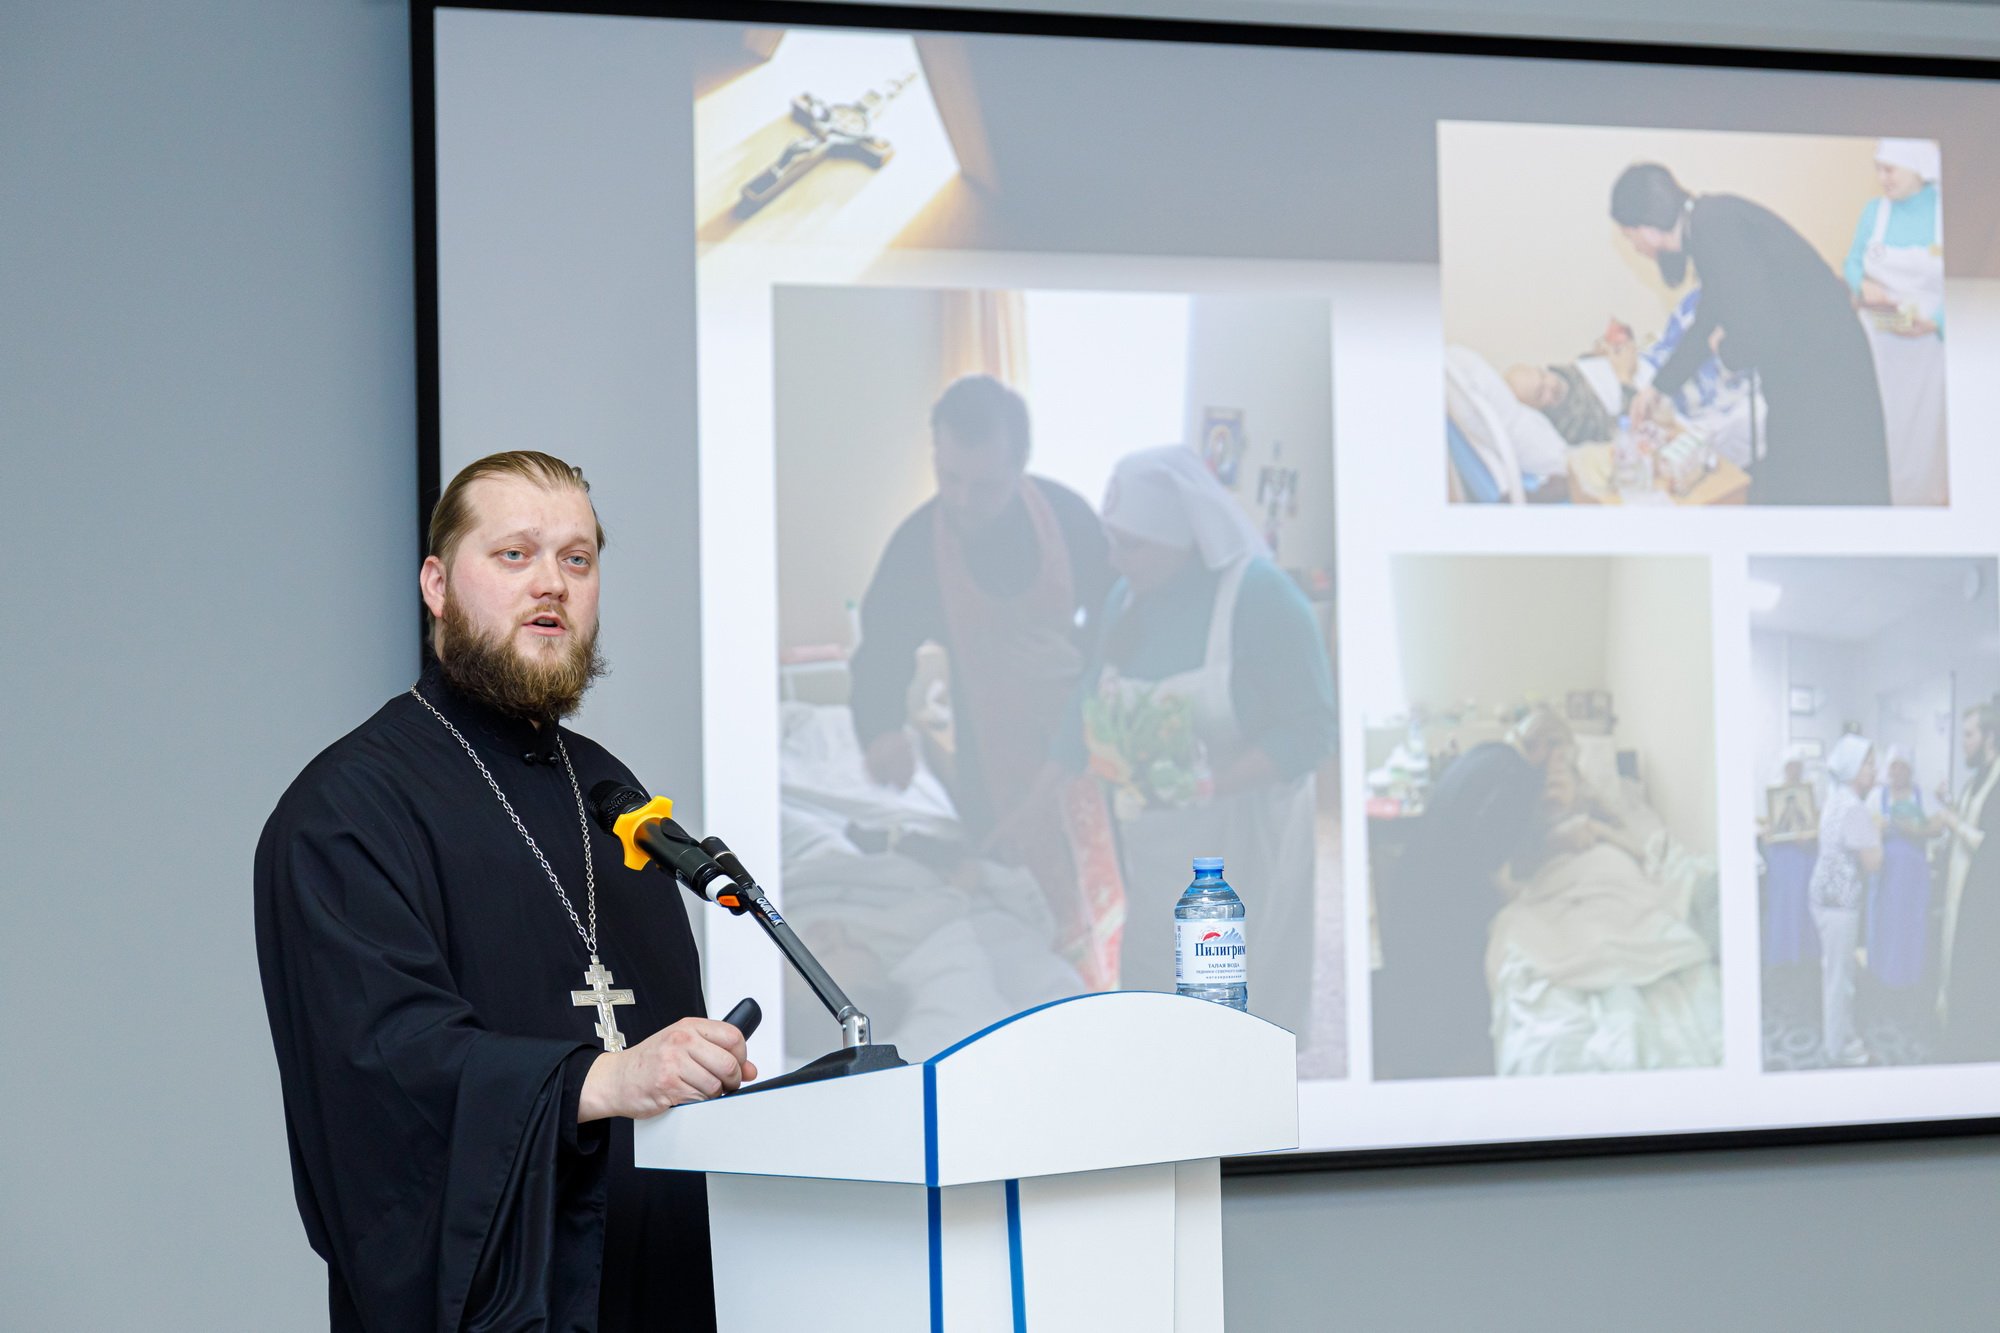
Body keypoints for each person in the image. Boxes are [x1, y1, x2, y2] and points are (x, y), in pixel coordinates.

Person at [256, 452, 755, 1331]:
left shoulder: (611, 796)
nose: (552, 583)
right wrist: (602, 1078)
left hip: (661, 1287)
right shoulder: (346, 812)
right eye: (515, 554)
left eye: (577, 558)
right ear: (437, 585)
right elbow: (385, 1070)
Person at [1051, 446, 1336, 1037]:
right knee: (1158, 980)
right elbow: (1092, 691)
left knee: (1233, 1000)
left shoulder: (1262, 597)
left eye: (1131, 545)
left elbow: (1312, 730)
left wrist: (1210, 785)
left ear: (1183, 540)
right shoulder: (1126, 597)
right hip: (1157, 844)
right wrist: (1049, 783)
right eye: (1110, 540)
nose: (1113, 559)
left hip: (1244, 839)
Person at [847, 374, 1113, 937]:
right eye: (950, 478)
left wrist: (1085, 669)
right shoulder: (917, 547)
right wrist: (882, 729)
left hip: (1083, 737)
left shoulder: (1069, 518)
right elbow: (882, 650)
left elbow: (1117, 622)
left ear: (1020, 466)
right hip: (988, 754)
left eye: (986, 486)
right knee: (1012, 903)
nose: (964, 501)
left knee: (1097, 886)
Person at [1611, 163, 1891, 506]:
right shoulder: (1707, 225)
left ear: (1648, 230)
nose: (1635, 247)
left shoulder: (1713, 228)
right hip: (1805, 365)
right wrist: (1658, 387)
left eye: (1630, 237)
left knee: (1827, 487)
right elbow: (1706, 321)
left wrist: (1725, 348)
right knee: (1797, 481)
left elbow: (1757, 335)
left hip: (1825, 371)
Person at [1373, 706, 1577, 1078]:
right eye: (1559, 757)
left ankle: (1409, 1061)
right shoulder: (1518, 778)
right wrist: (1518, 897)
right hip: (1443, 895)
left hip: (1416, 874)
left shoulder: (1488, 751)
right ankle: (1433, 1065)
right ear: (1545, 747)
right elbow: (1489, 856)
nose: (1556, 769)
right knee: (1442, 991)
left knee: (1415, 984)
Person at [1845, 138, 1947, 506]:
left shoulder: (1948, 213)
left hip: (1928, 350)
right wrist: (1863, 285)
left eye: (1890, 169)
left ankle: (1919, 505)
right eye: (1878, 168)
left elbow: (1973, 288)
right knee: (1878, 426)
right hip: (1878, 342)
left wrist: (1935, 322)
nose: (1881, 178)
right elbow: (1852, 262)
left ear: (1918, 168)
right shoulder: (1875, 212)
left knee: (1921, 436)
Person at [1808, 734, 1881, 1066]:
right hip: (1839, 902)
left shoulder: (1836, 798)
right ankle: (1837, 1049)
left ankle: (1841, 1035)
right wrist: (1878, 829)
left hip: (1823, 897)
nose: (1874, 770)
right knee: (1840, 978)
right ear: (1852, 768)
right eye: (1869, 764)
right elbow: (1873, 862)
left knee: (1835, 971)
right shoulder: (1854, 808)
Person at [1936, 705, 2000, 1060]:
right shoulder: (1977, 779)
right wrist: (1948, 805)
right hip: (1963, 895)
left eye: (1969, 735)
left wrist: (1952, 823)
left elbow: (1990, 844)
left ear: (1989, 737)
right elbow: (1971, 820)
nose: (1963, 743)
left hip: (1985, 903)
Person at [1866, 747, 1938, 994]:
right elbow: (1865, 828)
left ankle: (1910, 979)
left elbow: (1939, 825)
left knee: (1912, 925)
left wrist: (1916, 830)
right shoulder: (1877, 796)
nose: (1897, 772)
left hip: (1914, 878)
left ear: (1910, 770)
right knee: (1885, 925)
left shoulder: (1922, 796)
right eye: (1893, 767)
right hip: (1886, 876)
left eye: (1902, 767)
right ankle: (1882, 978)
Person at [1759, 746, 1819, 969]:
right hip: (1782, 861)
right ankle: (1782, 957)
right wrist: (1769, 833)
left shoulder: (1810, 796)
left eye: (1797, 767)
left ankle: (1805, 956)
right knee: (1782, 908)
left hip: (1804, 859)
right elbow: (1769, 827)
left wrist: (1809, 837)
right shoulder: (1774, 796)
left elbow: (1814, 826)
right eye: (1790, 767)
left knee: (1804, 908)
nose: (1793, 771)